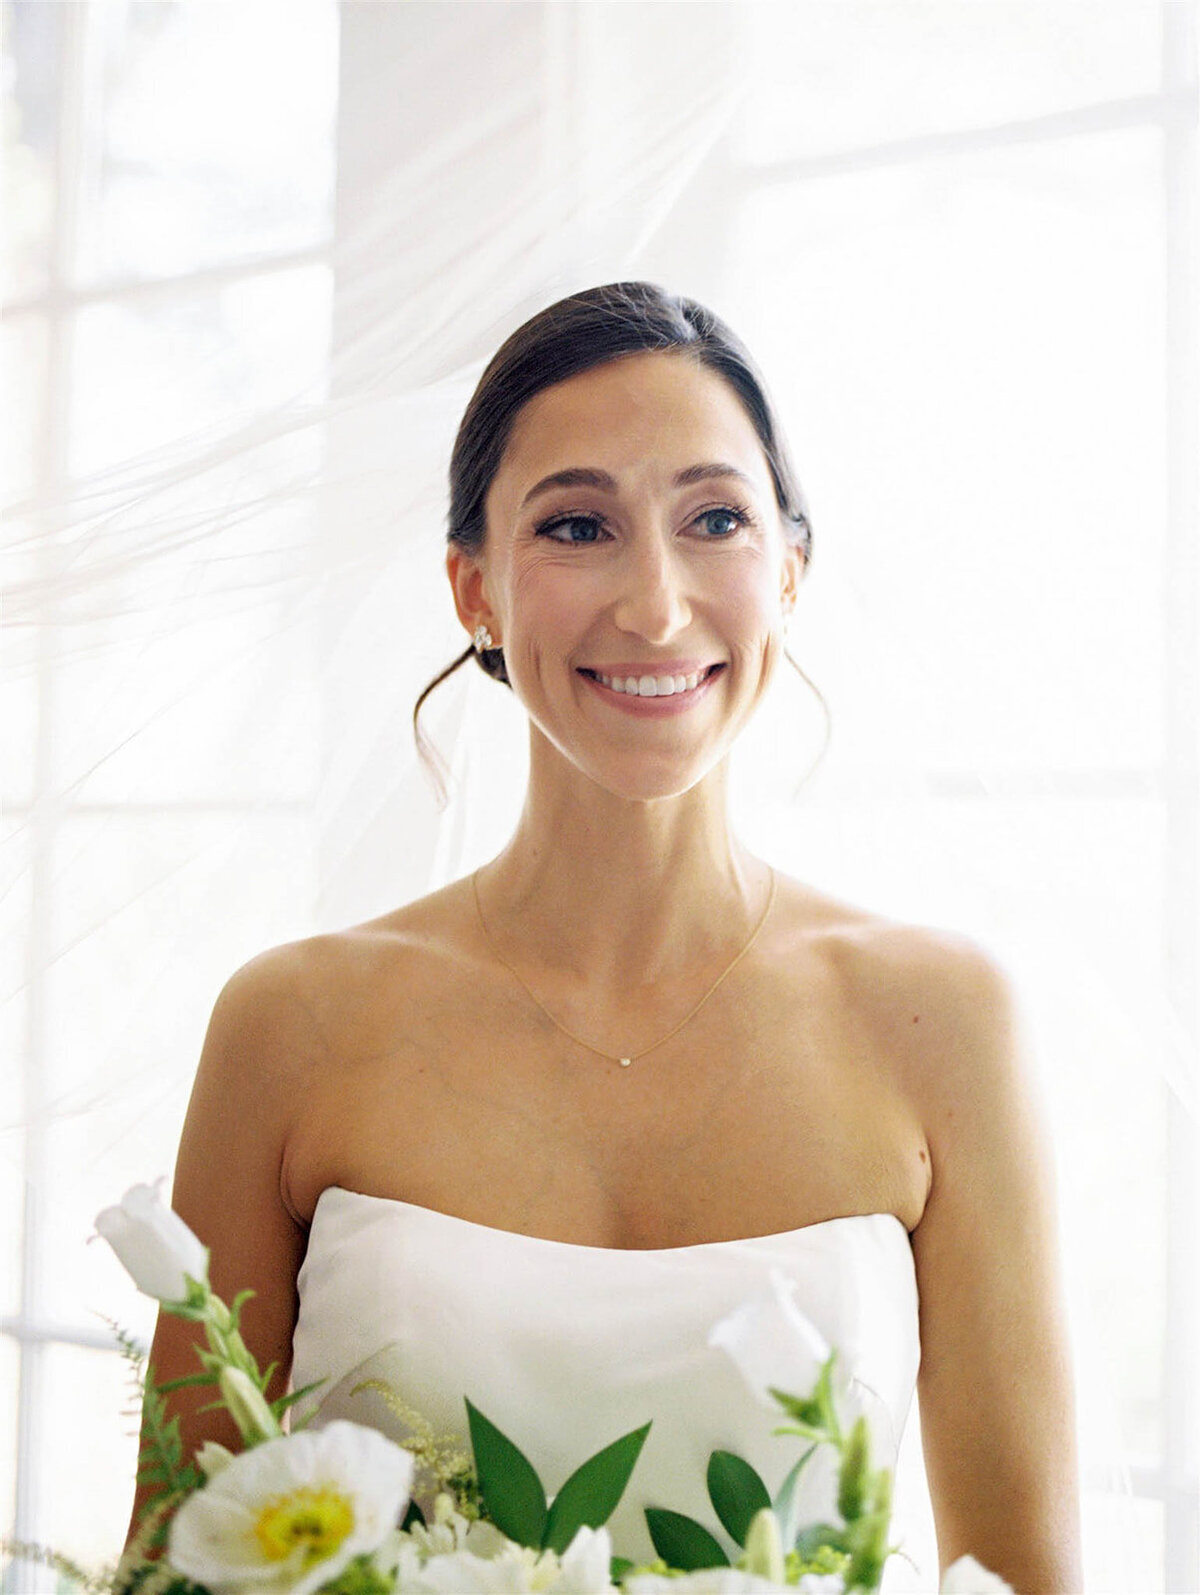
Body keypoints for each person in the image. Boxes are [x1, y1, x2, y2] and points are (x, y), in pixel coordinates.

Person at [130, 282, 1082, 1591]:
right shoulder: (289, 1026)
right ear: (475, 589)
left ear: (789, 573)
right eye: (578, 525)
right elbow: (174, 1564)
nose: (653, 603)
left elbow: (1030, 1581)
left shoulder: (942, 1020)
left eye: (715, 521)